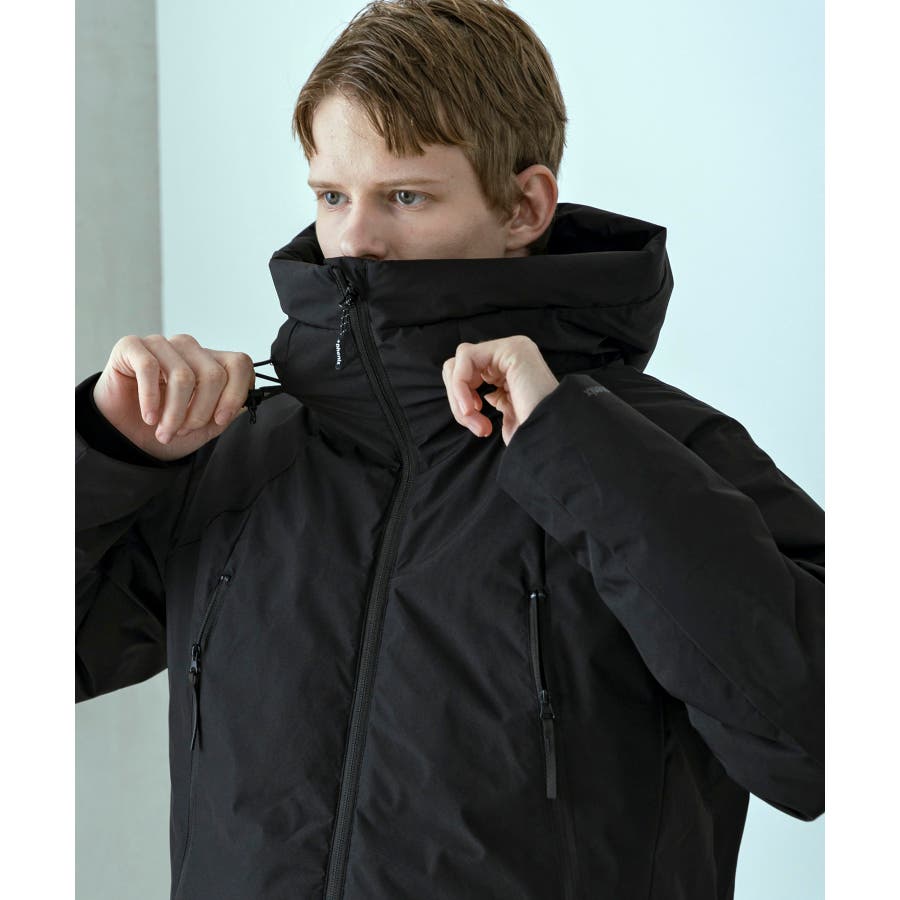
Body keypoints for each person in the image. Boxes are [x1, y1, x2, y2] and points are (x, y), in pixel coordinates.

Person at [75, 1, 825, 898]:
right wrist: (100, 451)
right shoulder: (240, 457)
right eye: (331, 196)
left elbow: (815, 744)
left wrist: (578, 453)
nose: (353, 240)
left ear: (523, 206)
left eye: (406, 196)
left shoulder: (655, 450)